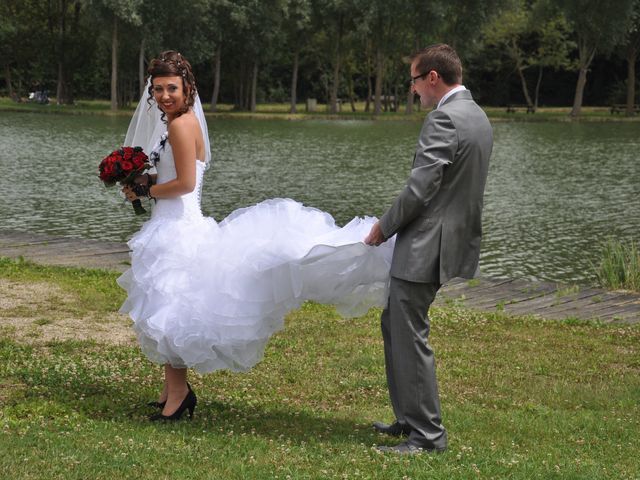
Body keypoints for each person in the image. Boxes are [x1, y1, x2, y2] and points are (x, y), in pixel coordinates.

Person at [118, 51, 394, 421]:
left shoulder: (182, 125)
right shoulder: (174, 124)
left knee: (172, 312)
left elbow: (184, 184)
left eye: (172, 88)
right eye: (159, 89)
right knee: (169, 312)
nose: (165, 95)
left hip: (178, 229)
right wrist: (142, 182)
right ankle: (173, 390)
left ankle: (178, 396)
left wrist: (148, 191)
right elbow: (172, 174)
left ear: (187, 90)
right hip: (170, 227)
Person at [365, 44, 493, 454]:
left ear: (433, 78)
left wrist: (383, 228)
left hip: (425, 246)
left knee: (409, 333)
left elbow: (421, 189)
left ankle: (428, 435)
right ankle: (408, 417)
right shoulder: (478, 116)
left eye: (415, 81)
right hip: (450, 241)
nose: (414, 90)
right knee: (395, 325)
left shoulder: (444, 119)